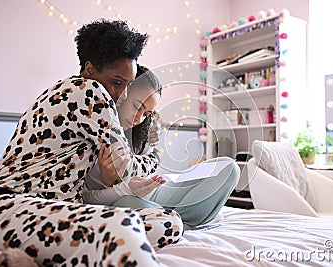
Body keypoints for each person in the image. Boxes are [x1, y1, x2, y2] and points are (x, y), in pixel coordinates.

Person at [0, 19, 182, 266]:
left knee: (168, 223)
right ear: (89, 69)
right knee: (125, 227)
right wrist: (154, 158)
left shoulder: (65, 91)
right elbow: (126, 167)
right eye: (117, 82)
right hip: (8, 208)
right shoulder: (88, 92)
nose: (122, 94)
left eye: (128, 85)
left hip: (53, 212)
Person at [83, 65, 240, 230]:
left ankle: (177, 220)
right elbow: (85, 199)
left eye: (146, 114)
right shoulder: (93, 130)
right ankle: (188, 221)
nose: (138, 119)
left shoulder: (141, 133)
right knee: (126, 204)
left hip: (153, 192)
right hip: (121, 200)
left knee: (228, 167)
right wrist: (116, 186)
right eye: (136, 107)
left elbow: (148, 171)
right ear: (121, 95)